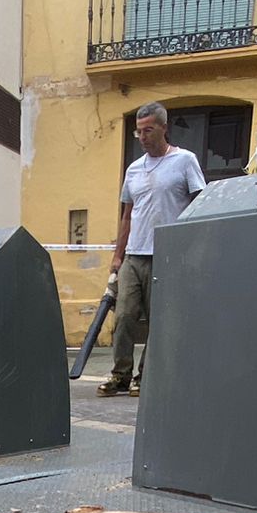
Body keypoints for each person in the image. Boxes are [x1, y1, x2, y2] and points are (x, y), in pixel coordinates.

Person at [101, 101, 205, 397]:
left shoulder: (185, 161)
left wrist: (190, 249)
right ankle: (120, 373)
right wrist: (117, 256)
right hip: (134, 254)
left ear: (163, 128)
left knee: (159, 319)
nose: (143, 137)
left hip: (168, 254)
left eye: (148, 130)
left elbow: (199, 205)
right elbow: (126, 215)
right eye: (138, 132)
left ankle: (144, 375)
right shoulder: (134, 169)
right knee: (123, 316)